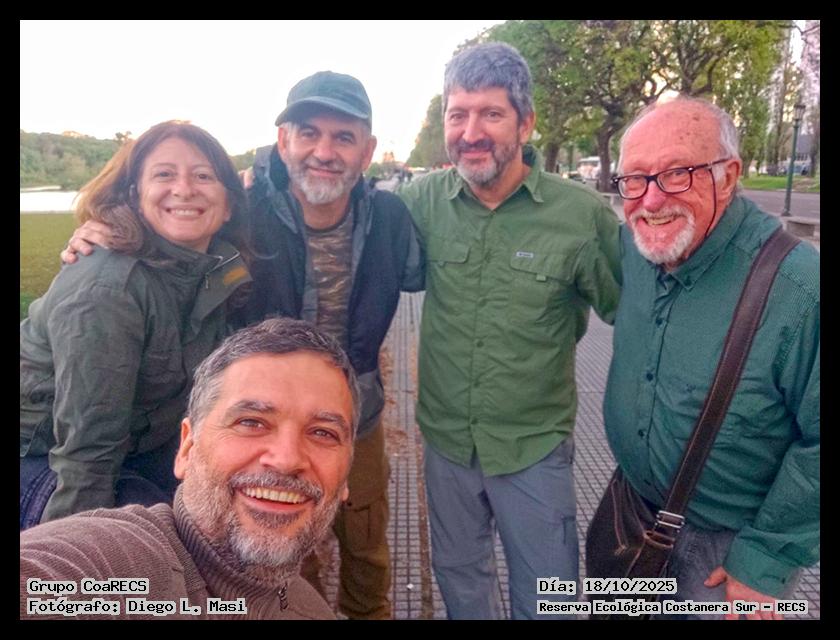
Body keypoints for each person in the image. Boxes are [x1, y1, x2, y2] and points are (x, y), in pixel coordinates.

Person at [60, 71, 424, 620]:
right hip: (258, 420)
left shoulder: (392, 218)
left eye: (344, 137)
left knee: (367, 543)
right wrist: (107, 228)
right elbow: (175, 223)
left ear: (368, 151)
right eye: (309, 133)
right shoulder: (244, 210)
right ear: (284, 141)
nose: (324, 151)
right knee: (277, 553)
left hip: (356, 417)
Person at [397, 42, 622, 619]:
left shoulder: (581, 215)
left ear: (525, 123)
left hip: (533, 446)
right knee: (459, 581)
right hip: (446, 441)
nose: (470, 132)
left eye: (491, 114)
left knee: (551, 596)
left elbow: (637, 315)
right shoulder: (419, 203)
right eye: (458, 114)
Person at [602, 96, 819, 620]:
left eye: (677, 173)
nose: (651, 200)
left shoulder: (800, 288)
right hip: (630, 516)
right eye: (635, 178)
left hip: (725, 560)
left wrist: (766, 559)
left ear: (729, 175)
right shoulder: (636, 246)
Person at [21, 318, 357, 620]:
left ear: (345, 478)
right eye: (251, 422)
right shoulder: (114, 569)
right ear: (187, 447)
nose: (287, 459)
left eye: (323, 433)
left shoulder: (310, 609)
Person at [21, 121, 252, 530]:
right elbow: (87, 452)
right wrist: (80, 559)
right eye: (164, 174)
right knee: (153, 533)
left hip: (138, 446)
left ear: (229, 204)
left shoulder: (215, 273)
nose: (184, 189)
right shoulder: (109, 288)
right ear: (135, 196)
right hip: (43, 456)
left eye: (203, 176)